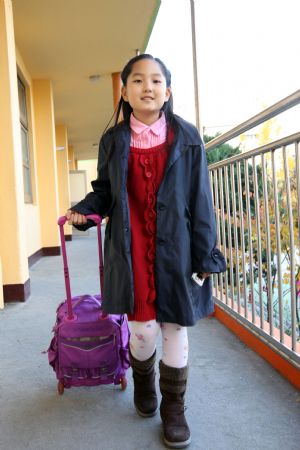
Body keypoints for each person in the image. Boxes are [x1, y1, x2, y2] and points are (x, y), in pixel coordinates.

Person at [66, 54, 226, 449]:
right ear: (125, 92)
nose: (147, 87)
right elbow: (104, 191)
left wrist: (206, 254)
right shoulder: (113, 140)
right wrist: (86, 211)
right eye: (138, 81)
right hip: (131, 244)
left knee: (175, 327)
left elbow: (201, 200)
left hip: (178, 250)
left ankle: (174, 408)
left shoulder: (187, 138)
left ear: (167, 92)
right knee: (142, 329)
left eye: (156, 81)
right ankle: (143, 383)